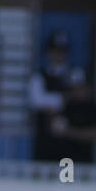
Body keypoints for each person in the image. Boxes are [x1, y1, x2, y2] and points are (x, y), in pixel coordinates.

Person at [29, 29, 80, 162]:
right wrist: (62, 98)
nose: (58, 55)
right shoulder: (39, 76)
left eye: (62, 51)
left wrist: (51, 100)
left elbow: (80, 96)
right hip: (45, 140)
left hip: (69, 143)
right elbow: (36, 101)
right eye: (55, 50)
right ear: (48, 52)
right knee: (42, 178)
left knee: (66, 179)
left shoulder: (75, 73)